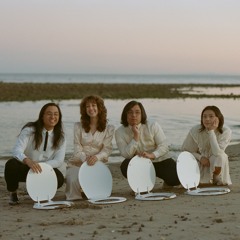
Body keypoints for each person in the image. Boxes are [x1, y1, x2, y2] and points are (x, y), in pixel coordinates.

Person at [4, 102, 67, 205]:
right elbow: (17, 150)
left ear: (59, 117)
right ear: (42, 116)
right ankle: (13, 193)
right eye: (49, 113)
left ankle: (35, 189)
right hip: (26, 167)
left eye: (56, 114)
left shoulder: (60, 137)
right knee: (11, 165)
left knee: (59, 179)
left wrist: (42, 166)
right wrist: (27, 160)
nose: (53, 117)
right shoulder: (29, 130)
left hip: (44, 169)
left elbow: (59, 161)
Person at [115, 100, 180, 188]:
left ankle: (167, 182)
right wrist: (136, 137)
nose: (134, 115)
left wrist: (152, 155)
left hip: (159, 160)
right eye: (130, 112)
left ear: (142, 114)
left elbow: (164, 146)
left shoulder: (153, 125)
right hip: (139, 163)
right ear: (125, 115)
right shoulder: (119, 132)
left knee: (176, 179)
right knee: (125, 166)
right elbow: (126, 154)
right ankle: (142, 185)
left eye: (137, 112)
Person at [65, 95, 114, 200]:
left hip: (98, 163)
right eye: (87, 106)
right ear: (84, 110)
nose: (91, 108)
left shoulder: (109, 128)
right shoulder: (78, 126)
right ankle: (77, 195)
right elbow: (77, 148)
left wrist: (97, 157)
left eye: (93, 105)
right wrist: (85, 158)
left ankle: (87, 189)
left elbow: (107, 149)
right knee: (73, 179)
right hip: (77, 163)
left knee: (99, 194)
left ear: (100, 108)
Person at [181, 105, 232, 186]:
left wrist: (211, 132)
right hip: (199, 160)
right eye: (204, 117)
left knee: (221, 156)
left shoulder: (226, 131)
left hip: (215, 160)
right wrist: (200, 158)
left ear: (218, 118)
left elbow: (217, 152)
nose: (207, 119)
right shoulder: (195, 130)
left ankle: (216, 176)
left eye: (211, 116)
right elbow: (186, 150)